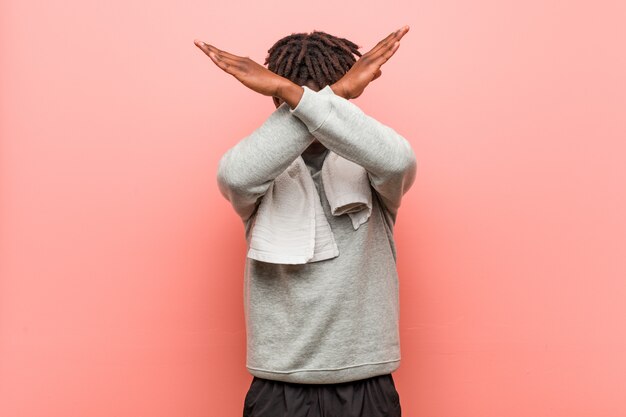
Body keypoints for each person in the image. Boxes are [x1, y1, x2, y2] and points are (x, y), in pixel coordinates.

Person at [194, 25, 416, 417]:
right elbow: (235, 176)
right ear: (275, 104)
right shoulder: (263, 178)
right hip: (278, 384)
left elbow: (399, 160)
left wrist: (300, 97)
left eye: (326, 96)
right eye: (293, 98)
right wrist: (331, 96)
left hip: (367, 381)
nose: (312, 112)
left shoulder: (370, 172)